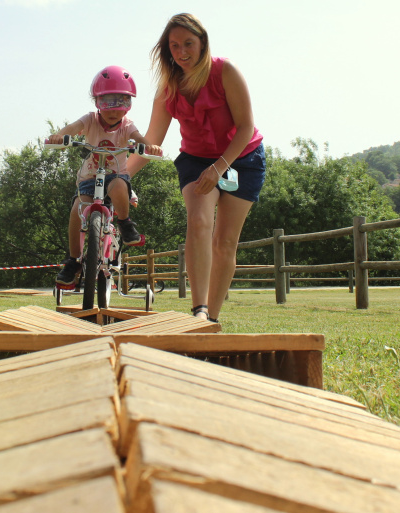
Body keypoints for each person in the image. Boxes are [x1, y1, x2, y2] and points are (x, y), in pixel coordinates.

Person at [127, 13, 266, 323]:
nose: (182, 52)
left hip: (242, 159)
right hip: (196, 160)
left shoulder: (225, 71)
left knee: (225, 241)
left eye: (188, 43)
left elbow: (245, 127)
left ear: (203, 43)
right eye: (174, 46)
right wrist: (121, 176)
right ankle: (199, 311)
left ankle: (211, 321)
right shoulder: (168, 89)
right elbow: (152, 142)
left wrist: (219, 168)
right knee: (199, 221)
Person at [51, 65, 161, 288]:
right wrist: (60, 136)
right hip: (88, 181)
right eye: (107, 102)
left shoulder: (127, 126)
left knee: (120, 184)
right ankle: (73, 262)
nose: (114, 109)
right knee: (77, 211)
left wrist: (151, 147)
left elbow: (140, 139)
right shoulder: (90, 120)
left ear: (129, 105)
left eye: (121, 102)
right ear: (97, 103)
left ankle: (125, 222)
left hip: (114, 177)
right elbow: (73, 128)